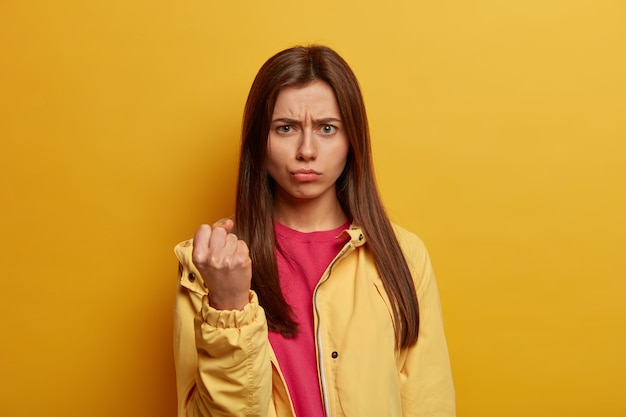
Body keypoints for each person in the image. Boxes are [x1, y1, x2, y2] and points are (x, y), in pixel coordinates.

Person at [173, 45, 456, 417]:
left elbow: (428, 404)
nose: (306, 150)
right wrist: (229, 306)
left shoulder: (403, 255)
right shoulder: (209, 262)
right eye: (286, 128)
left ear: (352, 139)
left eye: (327, 128)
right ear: (260, 140)